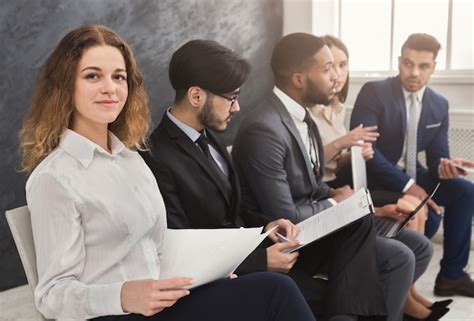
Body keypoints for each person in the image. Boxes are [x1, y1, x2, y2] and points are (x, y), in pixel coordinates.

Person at [19, 24, 316, 321]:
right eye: (93, 76)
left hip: (162, 302)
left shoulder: (131, 159)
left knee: (276, 288)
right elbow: (51, 296)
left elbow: (161, 243)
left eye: (118, 77)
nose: (110, 87)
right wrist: (122, 295)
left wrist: (215, 266)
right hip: (115, 314)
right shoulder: (54, 178)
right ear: (65, 85)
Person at [232, 33, 434, 321]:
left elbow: (312, 186)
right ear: (299, 79)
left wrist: (347, 201)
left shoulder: (301, 117)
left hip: (316, 224)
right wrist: (334, 204)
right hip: (292, 239)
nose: (336, 78)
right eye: (326, 69)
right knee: (399, 257)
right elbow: (283, 213)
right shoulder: (263, 129)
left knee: (419, 246)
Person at [308, 35, 444, 320]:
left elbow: (336, 162)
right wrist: (345, 144)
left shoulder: (336, 108)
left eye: (343, 65)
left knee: (417, 209)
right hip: (331, 192)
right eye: (330, 66)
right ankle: (405, 297)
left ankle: (409, 293)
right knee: (410, 206)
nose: (338, 74)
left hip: (343, 185)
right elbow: (309, 164)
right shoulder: (308, 112)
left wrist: (355, 153)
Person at [351, 32, 474, 298]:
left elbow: (436, 159)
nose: (414, 72)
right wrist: (410, 187)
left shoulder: (439, 105)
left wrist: (448, 166)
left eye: (423, 66)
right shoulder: (374, 92)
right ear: (399, 61)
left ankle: (452, 275)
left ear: (433, 67)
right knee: (427, 216)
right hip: (377, 178)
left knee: (465, 191)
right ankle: (402, 291)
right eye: (408, 63)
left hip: (413, 175)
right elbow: (366, 153)